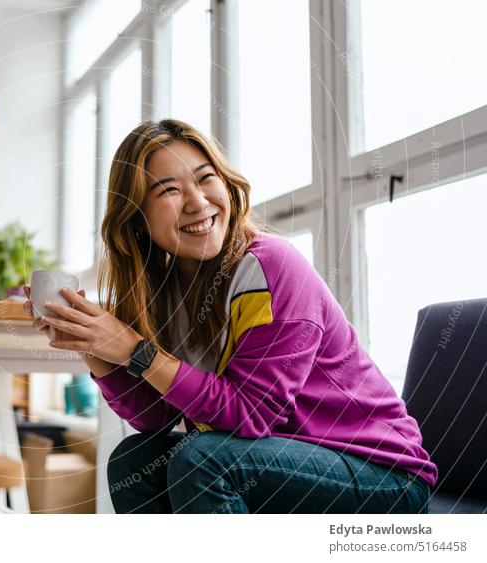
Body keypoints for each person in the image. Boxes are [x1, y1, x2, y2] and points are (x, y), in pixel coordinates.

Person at [22, 119, 436, 514]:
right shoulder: (168, 291)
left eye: (205, 178)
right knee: (133, 462)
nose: (198, 202)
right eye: (168, 190)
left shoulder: (270, 266)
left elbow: (252, 414)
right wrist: (92, 346)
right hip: (278, 459)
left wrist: (135, 350)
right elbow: (155, 417)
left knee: (204, 460)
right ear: (137, 219)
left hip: (380, 474)